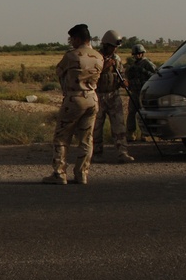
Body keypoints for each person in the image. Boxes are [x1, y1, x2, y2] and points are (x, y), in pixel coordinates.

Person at [42, 24, 104, 185]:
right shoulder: (99, 57)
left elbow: (59, 72)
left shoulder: (71, 56)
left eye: (72, 39)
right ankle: (82, 173)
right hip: (92, 98)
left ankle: (59, 173)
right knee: (86, 138)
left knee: (62, 137)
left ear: (77, 38)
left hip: (74, 98)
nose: (71, 42)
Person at [92, 30, 134, 163]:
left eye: (116, 47)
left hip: (114, 95)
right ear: (105, 45)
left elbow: (121, 73)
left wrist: (124, 82)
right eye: (112, 46)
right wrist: (104, 67)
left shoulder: (116, 59)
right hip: (98, 95)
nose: (114, 49)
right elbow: (92, 75)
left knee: (119, 125)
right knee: (96, 126)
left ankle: (122, 152)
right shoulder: (96, 57)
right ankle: (96, 153)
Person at [125, 44, 157, 142]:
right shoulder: (133, 65)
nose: (137, 56)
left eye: (139, 53)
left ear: (143, 54)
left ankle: (145, 134)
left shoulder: (147, 64)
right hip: (134, 92)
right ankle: (130, 133)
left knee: (144, 114)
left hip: (144, 93)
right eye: (135, 54)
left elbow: (155, 76)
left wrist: (144, 71)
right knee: (131, 113)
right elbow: (129, 78)